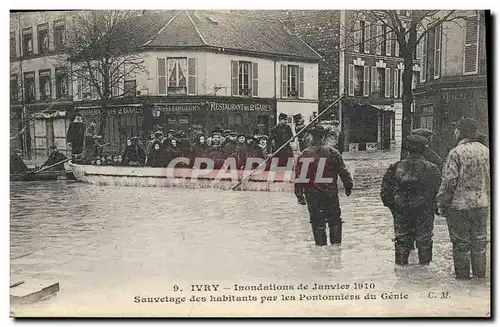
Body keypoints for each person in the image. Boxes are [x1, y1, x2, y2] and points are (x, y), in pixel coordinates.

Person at [436, 117, 490, 280]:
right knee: (479, 242)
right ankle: (480, 279)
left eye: (456, 129)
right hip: (482, 204)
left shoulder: (455, 153)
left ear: (461, 132)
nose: (454, 132)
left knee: (461, 244)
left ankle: (463, 280)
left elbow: (449, 181)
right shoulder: (486, 150)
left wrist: (442, 203)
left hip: (459, 206)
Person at [380, 135, 441, 266]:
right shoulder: (432, 168)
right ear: (423, 149)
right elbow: (438, 193)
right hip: (424, 212)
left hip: (401, 210)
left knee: (402, 241)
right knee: (424, 241)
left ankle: (402, 275)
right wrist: (434, 209)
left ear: (407, 148)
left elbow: (385, 193)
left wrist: (395, 209)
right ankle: (425, 274)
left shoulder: (395, 167)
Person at [294, 124, 353, 246]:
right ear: (324, 136)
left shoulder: (304, 154)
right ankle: (336, 252)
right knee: (335, 221)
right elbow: (344, 172)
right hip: (330, 193)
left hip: (313, 195)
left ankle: (321, 251)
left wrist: (299, 195)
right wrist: (348, 187)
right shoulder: (333, 152)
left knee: (317, 224)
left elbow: (300, 178)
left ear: (310, 137)